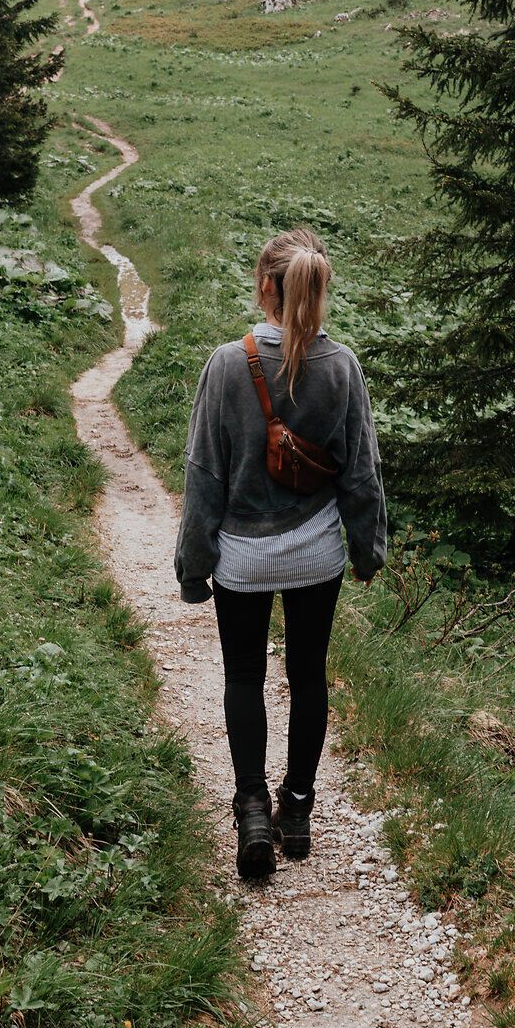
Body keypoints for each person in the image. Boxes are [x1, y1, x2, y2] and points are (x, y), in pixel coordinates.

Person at [174, 227, 386, 878]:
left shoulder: (226, 364)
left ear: (267, 287)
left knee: (244, 676)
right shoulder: (342, 367)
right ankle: (297, 808)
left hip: (242, 556)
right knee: (308, 675)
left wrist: (193, 564)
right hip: (316, 554)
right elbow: (361, 472)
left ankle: (251, 812)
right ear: (316, 288)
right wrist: (367, 546)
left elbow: (204, 474)